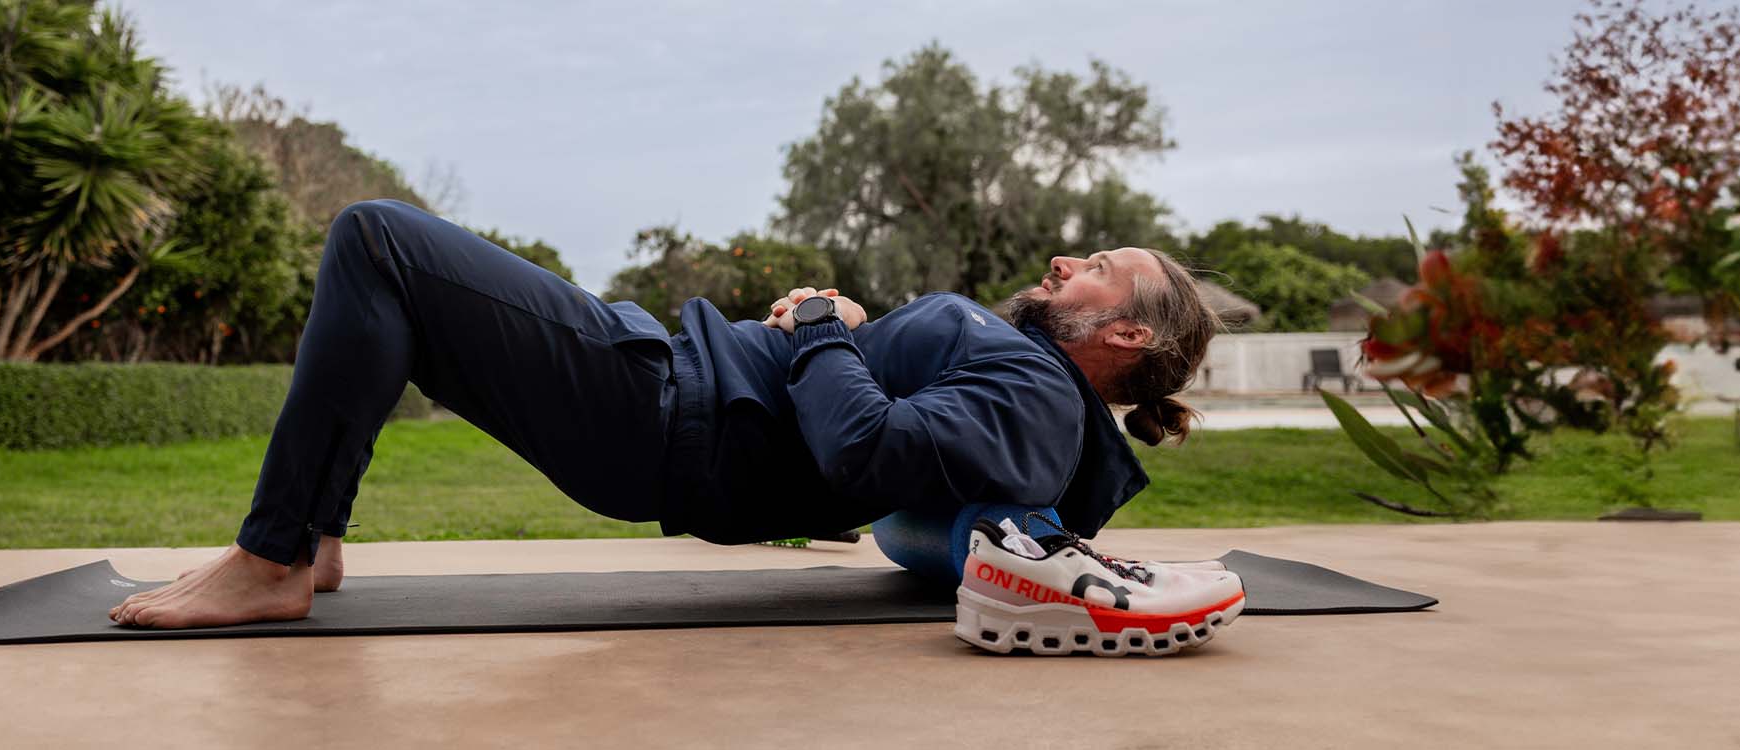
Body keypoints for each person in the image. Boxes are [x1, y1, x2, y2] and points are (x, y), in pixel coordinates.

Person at [107, 200, 1251, 655]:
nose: (1068, 260)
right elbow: (914, 490)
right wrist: (834, 335)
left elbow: (865, 456)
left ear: (1132, 340)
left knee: (377, 240)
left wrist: (814, 318)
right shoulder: (1032, 394)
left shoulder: (1036, 390)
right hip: (666, 393)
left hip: (663, 408)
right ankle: (308, 533)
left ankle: (272, 558)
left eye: (1098, 269)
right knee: (397, 288)